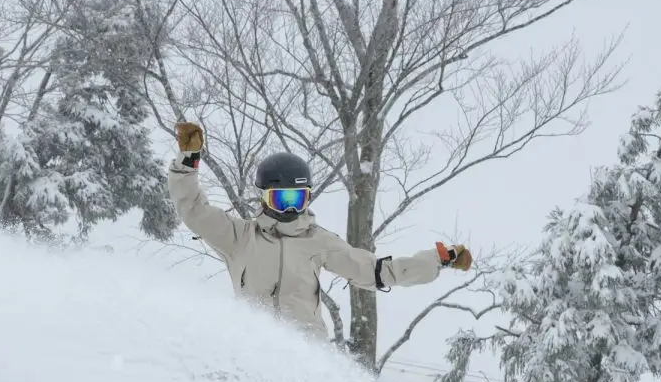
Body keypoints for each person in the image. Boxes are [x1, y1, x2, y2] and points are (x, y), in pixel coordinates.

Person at [167, 121, 473, 339]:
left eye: (297, 198)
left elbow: (377, 271)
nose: (290, 208)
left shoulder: (318, 241)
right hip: (253, 350)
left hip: (305, 354)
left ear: (308, 197)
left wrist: (436, 259)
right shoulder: (239, 237)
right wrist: (188, 161)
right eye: (281, 198)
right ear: (263, 197)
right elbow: (194, 210)